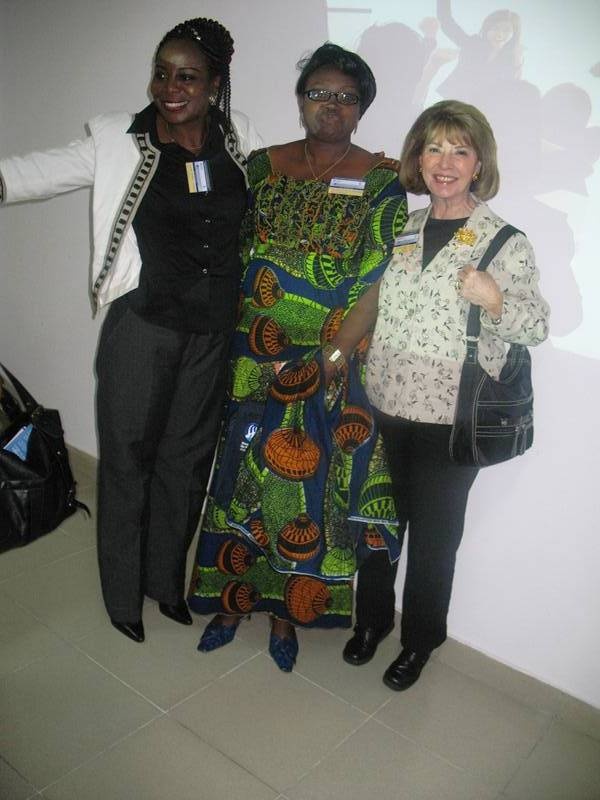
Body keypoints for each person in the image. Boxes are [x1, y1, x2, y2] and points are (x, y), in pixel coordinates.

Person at [0, 18, 262, 643]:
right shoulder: (121, 139)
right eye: (162, 74)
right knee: (127, 460)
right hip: (143, 327)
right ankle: (122, 595)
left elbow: (275, 196)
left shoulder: (239, 139)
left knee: (187, 462)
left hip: (212, 332)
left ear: (215, 83)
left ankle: (163, 583)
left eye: (187, 77)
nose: (170, 88)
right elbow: (38, 171)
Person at [188, 43, 407, 671]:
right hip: (252, 356)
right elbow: (230, 249)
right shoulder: (261, 168)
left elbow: (377, 279)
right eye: (319, 93)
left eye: (346, 97)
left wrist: (333, 354)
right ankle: (230, 600)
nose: (331, 106)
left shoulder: (382, 183)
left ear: (361, 109)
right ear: (301, 99)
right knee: (239, 477)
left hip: (326, 364)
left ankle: (286, 612)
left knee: (302, 493)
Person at [324, 99, 549, 690]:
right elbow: (376, 302)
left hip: (450, 418)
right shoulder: (406, 229)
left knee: (433, 540)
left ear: (479, 163)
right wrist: (337, 355)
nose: (444, 163)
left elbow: (536, 326)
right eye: (433, 149)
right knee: (376, 523)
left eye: (459, 151)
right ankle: (371, 623)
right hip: (383, 404)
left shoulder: (505, 241)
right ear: (418, 159)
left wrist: (494, 299)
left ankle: (419, 641)